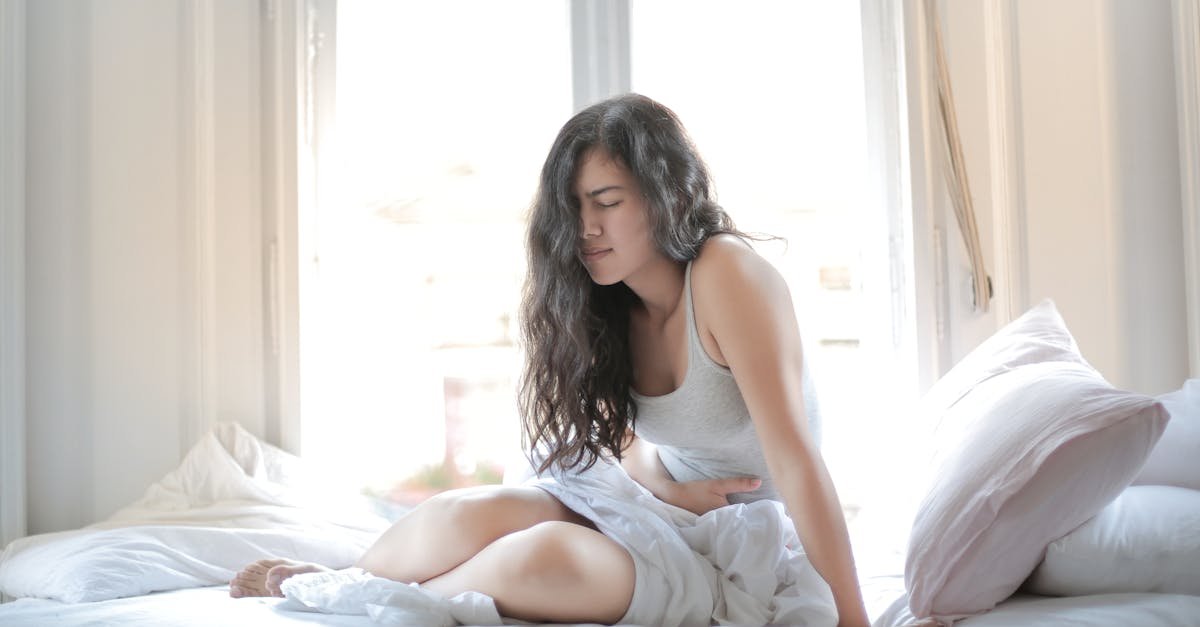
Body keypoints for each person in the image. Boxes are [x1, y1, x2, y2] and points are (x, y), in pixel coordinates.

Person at [228, 93, 870, 627]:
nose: (586, 226)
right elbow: (628, 446)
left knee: (546, 557)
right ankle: (348, 576)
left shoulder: (727, 274)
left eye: (608, 202)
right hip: (666, 511)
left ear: (666, 194)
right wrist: (670, 488)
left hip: (752, 550)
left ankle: (364, 598)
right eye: (575, 207)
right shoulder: (613, 304)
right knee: (472, 511)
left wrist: (853, 619)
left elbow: (795, 456)